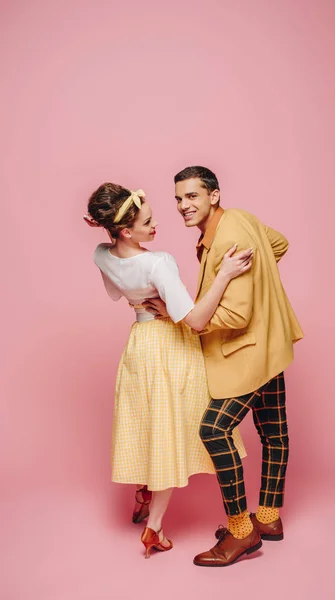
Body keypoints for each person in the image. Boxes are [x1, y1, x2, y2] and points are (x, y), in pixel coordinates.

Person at [146, 166, 304, 567]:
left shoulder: (229, 236)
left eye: (192, 196)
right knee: (273, 430)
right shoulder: (240, 219)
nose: (183, 205)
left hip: (248, 350)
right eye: (179, 198)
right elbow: (278, 245)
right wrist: (257, 286)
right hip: (271, 340)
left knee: (213, 430)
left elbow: (233, 316)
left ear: (214, 196)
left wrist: (184, 316)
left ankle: (242, 532)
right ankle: (268, 518)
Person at [84, 182, 251, 559]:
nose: (157, 223)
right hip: (169, 348)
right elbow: (194, 320)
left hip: (139, 344)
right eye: (147, 221)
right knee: (168, 436)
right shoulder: (159, 262)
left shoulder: (101, 253)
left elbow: (116, 294)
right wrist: (223, 275)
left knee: (147, 422)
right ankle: (154, 527)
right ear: (126, 230)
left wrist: (145, 298)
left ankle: (143, 493)